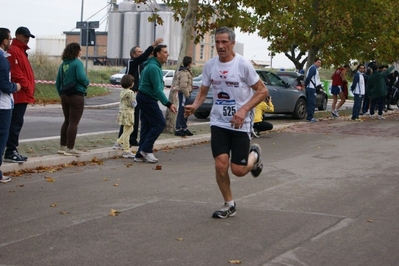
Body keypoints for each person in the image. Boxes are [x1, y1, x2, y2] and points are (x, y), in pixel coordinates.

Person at [184, 27, 268, 219]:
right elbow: (204, 90)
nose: (220, 46)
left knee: (238, 170)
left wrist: (243, 110)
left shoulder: (243, 65)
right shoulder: (210, 65)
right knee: (221, 165)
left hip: (240, 123)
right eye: (217, 42)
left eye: (224, 42)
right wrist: (195, 105)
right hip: (219, 122)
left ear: (232, 43)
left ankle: (254, 157)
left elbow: (262, 91)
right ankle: (229, 204)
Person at [133, 44, 177, 163]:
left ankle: (139, 155)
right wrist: (168, 104)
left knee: (147, 127)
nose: (167, 55)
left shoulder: (152, 65)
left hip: (144, 97)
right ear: (158, 54)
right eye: (165, 52)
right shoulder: (153, 68)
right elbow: (158, 90)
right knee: (159, 123)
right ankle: (146, 150)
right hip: (147, 98)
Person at [119, 38, 164, 147]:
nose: (142, 53)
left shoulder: (142, 64)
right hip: (131, 93)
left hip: (139, 93)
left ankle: (133, 138)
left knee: (136, 116)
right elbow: (144, 57)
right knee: (128, 118)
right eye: (139, 52)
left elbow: (147, 59)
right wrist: (154, 45)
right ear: (134, 54)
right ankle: (122, 140)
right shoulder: (133, 62)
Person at [4, 27, 35, 163]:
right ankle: (10, 150)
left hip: (22, 93)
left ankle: (11, 149)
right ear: (18, 35)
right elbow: (16, 73)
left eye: (29, 36)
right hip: (19, 94)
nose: (27, 39)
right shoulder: (15, 51)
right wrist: (27, 86)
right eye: (25, 36)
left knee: (16, 122)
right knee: (15, 123)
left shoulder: (20, 51)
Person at [55, 42, 90, 156]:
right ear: (76, 51)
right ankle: (70, 148)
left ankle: (62, 146)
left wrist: (61, 93)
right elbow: (81, 77)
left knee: (67, 120)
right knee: (74, 122)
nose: (81, 52)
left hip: (64, 95)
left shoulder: (63, 64)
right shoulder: (77, 63)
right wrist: (86, 83)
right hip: (76, 94)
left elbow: (58, 81)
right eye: (80, 50)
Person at [0, 28, 21, 183]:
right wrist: (16, 87)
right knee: (1, 139)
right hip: (3, 106)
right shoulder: (2, 60)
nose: (11, 41)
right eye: (9, 38)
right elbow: (5, 85)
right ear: (5, 41)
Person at [113, 74, 136, 158]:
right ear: (131, 83)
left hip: (122, 113)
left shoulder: (122, 91)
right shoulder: (130, 93)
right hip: (129, 113)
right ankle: (126, 150)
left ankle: (118, 142)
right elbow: (133, 104)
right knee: (128, 131)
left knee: (128, 129)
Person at [174, 56, 194, 137]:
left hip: (186, 93)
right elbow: (183, 85)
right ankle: (178, 128)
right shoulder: (184, 72)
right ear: (189, 63)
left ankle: (184, 127)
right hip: (184, 93)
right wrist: (187, 95)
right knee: (182, 110)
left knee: (186, 111)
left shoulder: (186, 71)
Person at [304, 58, 322, 122]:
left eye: (320, 63)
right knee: (311, 102)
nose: (319, 64)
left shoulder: (315, 69)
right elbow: (309, 77)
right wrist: (306, 84)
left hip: (312, 88)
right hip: (311, 88)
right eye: (318, 62)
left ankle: (310, 116)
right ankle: (310, 117)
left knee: (311, 102)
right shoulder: (313, 68)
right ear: (315, 62)